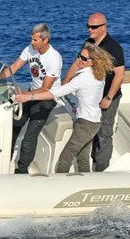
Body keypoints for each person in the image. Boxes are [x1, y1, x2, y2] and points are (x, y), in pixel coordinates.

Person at [15, 43, 112, 173]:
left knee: (65, 158)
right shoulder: (99, 74)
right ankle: (87, 181)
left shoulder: (84, 77)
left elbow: (55, 93)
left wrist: (28, 97)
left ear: (92, 62)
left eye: (84, 59)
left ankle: (60, 182)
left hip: (86, 124)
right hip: (94, 121)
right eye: (79, 56)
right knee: (82, 158)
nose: (79, 60)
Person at [0, 23, 63, 174]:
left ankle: (21, 171)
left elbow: (46, 88)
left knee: (30, 136)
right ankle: (4, 161)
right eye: (31, 39)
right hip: (32, 92)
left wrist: (25, 96)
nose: (32, 42)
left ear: (45, 40)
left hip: (47, 98)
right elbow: (13, 68)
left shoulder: (54, 58)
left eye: (35, 40)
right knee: (15, 126)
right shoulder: (29, 49)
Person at [62, 12, 125, 172]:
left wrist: (109, 97)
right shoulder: (88, 44)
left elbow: (119, 74)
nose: (90, 29)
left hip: (107, 97)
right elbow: (77, 64)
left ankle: (101, 171)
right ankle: (85, 170)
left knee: (104, 134)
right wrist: (65, 83)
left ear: (104, 27)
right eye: (88, 26)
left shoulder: (114, 48)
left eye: (94, 27)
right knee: (88, 134)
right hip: (91, 98)